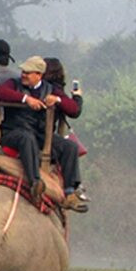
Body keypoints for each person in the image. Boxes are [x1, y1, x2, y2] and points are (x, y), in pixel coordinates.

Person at [0, 56, 86, 211]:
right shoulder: (14, 84)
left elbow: (73, 110)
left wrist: (57, 99)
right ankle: (35, 182)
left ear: (39, 75)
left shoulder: (50, 89)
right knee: (26, 138)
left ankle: (70, 193)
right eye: (23, 71)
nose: (23, 75)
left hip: (39, 134)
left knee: (70, 147)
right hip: (14, 132)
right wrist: (26, 99)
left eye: (28, 73)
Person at [44, 56, 88, 202]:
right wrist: (77, 97)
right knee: (70, 147)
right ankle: (70, 191)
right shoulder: (53, 90)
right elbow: (74, 110)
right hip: (42, 135)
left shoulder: (32, 86)